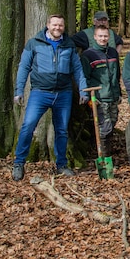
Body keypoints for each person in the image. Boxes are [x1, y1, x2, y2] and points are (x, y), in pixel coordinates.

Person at [12, 14, 88, 181]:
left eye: (60, 25)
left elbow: (77, 68)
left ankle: (61, 164)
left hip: (63, 93)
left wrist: (83, 90)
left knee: (61, 130)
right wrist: (18, 90)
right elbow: (24, 67)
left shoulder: (69, 44)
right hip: (40, 92)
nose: (57, 28)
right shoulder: (34, 43)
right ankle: (19, 163)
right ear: (47, 25)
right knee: (28, 125)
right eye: (54, 25)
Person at [81, 25, 122, 151]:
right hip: (99, 97)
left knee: (112, 123)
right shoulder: (88, 55)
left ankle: (106, 151)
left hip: (113, 96)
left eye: (105, 36)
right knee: (104, 127)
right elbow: (85, 77)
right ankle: (105, 157)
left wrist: (119, 93)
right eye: (100, 36)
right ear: (95, 37)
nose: (103, 39)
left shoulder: (113, 52)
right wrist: (89, 98)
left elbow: (117, 74)